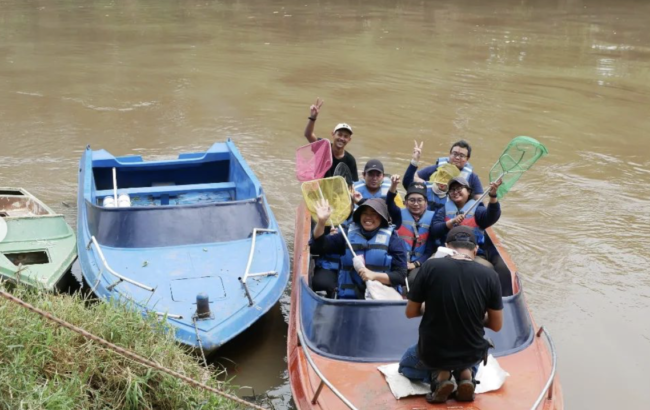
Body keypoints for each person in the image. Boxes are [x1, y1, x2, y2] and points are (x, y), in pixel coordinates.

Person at [398, 226, 503, 404]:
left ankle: (438, 376)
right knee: (472, 353)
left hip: (433, 352)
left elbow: (410, 312)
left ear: (447, 246)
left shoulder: (430, 267)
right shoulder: (490, 275)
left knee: (405, 366)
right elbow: (496, 325)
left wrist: (430, 308)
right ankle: (466, 374)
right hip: (470, 351)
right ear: (475, 250)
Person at [309, 198, 407, 299]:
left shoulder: (394, 241)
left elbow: (400, 276)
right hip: (349, 300)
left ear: (382, 217)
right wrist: (321, 222)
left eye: (373, 213)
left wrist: (373, 275)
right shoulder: (347, 236)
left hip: (381, 300)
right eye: (364, 213)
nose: (368, 217)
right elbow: (318, 246)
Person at [432, 176, 501, 267]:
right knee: (430, 264)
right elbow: (434, 230)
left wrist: (493, 196)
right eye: (452, 190)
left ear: (468, 191)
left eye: (459, 188)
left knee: (488, 268)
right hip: (446, 252)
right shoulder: (443, 210)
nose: (455, 192)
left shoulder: (478, 209)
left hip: (473, 253)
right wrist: (451, 222)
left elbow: (491, 217)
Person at [386, 178, 436, 284]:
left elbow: (429, 249)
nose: (416, 204)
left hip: (418, 263)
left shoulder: (433, 218)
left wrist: (416, 264)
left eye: (420, 200)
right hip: (398, 261)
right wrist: (393, 185)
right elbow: (389, 202)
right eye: (412, 200)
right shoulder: (398, 214)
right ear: (406, 202)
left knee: (414, 279)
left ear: (426, 202)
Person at [403, 140, 483, 200]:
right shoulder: (437, 169)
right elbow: (412, 178)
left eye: (461, 155)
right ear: (449, 154)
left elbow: (480, 199)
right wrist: (428, 184)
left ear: (467, 159)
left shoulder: (472, 177)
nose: (457, 158)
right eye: (455, 154)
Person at [303, 98, 359, 181]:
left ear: (349, 140)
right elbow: (308, 135)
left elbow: (352, 183)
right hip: (318, 188)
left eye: (345, 136)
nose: (342, 139)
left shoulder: (350, 160)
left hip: (335, 192)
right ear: (333, 134)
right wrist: (313, 118)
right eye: (339, 135)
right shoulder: (324, 147)